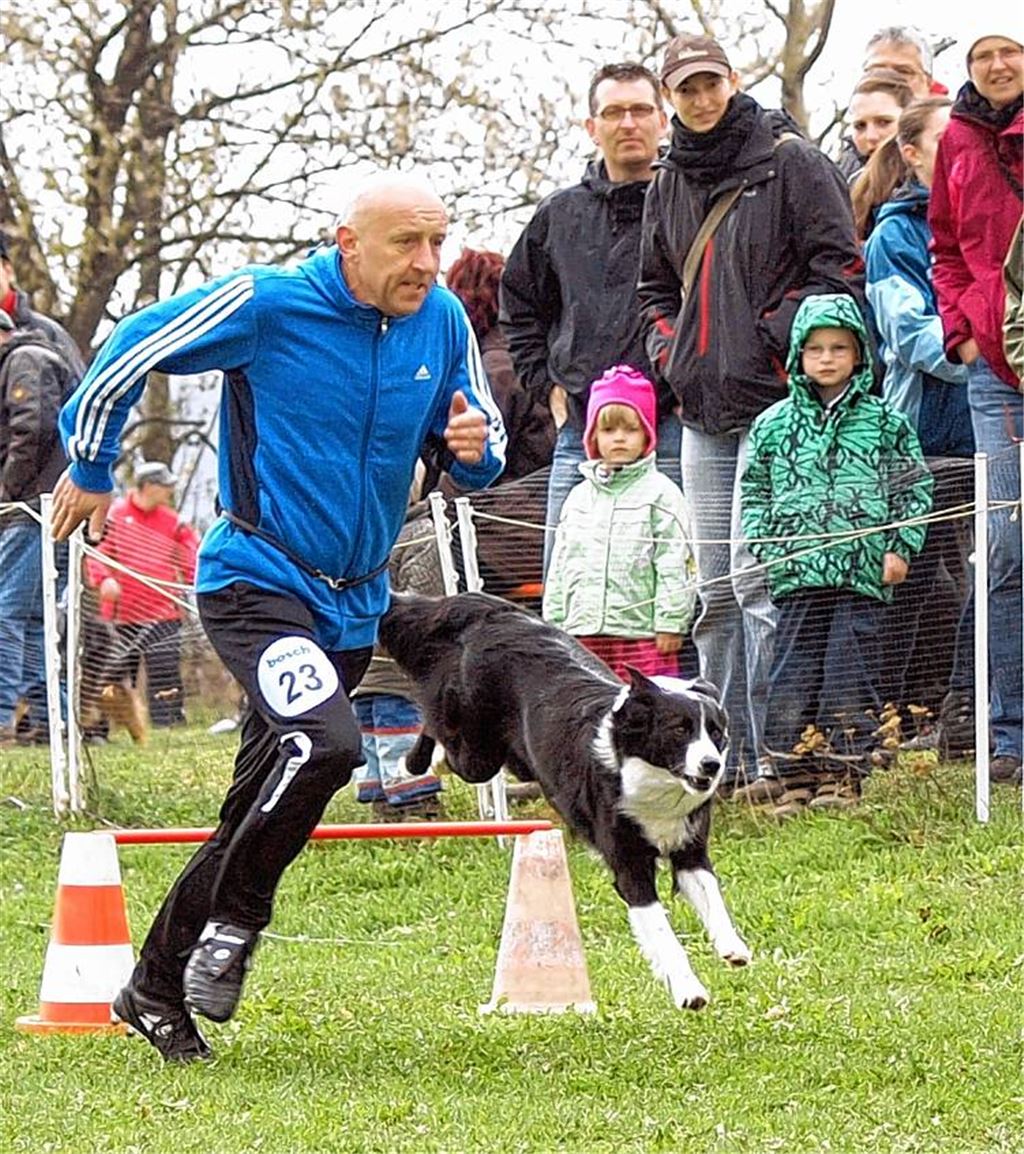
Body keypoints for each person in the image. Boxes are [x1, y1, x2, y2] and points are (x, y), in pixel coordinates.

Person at [52, 171, 507, 1063]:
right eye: (406, 245)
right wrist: (95, 463)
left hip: (352, 604)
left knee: (265, 799)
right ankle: (237, 923)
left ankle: (151, 986)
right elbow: (130, 347)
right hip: (256, 583)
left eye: (437, 243)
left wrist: (476, 447)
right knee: (327, 745)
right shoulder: (267, 305)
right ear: (348, 244)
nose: (427, 263)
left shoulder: (443, 320)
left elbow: (474, 426)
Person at [638, 31, 863, 792]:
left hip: (781, 408)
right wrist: (674, 352)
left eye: (709, 83)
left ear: (733, 80)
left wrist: (770, 339)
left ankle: (777, 752)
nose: (700, 99)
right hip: (702, 409)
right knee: (717, 596)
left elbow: (838, 268)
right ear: (671, 96)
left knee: (764, 584)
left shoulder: (791, 161)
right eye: (685, 88)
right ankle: (722, 759)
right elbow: (653, 288)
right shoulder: (667, 177)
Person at [741, 294, 933, 816]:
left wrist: (900, 547)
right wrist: (768, 544)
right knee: (792, 674)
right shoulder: (774, 426)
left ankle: (844, 773)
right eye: (816, 348)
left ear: (859, 354)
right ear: (798, 356)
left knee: (851, 671)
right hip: (798, 576)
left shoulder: (885, 422)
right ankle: (793, 775)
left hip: (862, 574)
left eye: (839, 348)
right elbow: (752, 492)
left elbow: (914, 490)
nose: (827, 358)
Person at [500, 61, 681, 578]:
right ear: (591, 126)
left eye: (642, 110)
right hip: (582, 428)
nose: (629, 123)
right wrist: (545, 387)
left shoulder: (688, 202)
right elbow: (518, 308)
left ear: (663, 120)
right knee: (570, 579)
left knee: (669, 584)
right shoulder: (559, 215)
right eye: (614, 112)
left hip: (672, 425)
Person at [862, 98, 976, 753]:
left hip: (992, 432)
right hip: (919, 440)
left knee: (987, 576)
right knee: (912, 584)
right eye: (944, 144)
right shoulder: (895, 237)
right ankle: (883, 725)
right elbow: (909, 335)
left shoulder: (994, 223)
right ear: (911, 154)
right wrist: (989, 351)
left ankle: (967, 712)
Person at [929, 29, 1023, 784]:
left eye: (1010, 52)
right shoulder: (957, 140)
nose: (997, 66)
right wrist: (960, 331)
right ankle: (1012, 736)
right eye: (982, 56)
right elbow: (947, 246)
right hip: (994, 367)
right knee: (1006, 548)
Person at [542, 364, 695, 681]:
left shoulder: (663, 495)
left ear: (647, 434)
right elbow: (560, 565)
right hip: (582, 635)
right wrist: (554, 623)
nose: (620, 439)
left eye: (631, 429)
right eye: (609, 430)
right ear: (593, 436)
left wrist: (671, 621)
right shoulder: (578, 498)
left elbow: (676, 562)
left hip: (642, 638)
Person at [0, 310, 77, 746]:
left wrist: (7, 494)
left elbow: (31, 428)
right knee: (33, 619)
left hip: (36, 507)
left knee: (6, 612)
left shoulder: (25, 359)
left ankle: (1, 715)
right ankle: (55, 719)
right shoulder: (27, 357)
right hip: (51, 505)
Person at [85, 460, 200, 728]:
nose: (170, 492)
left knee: (165, 671)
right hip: (119, 614)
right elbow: (96, 553)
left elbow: (191, 558)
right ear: (148, 486)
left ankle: (168, 723)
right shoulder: (113, 515)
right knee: (110, 673)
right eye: (165, 486)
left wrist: (203, 585)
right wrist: (104, 580)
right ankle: (97, 728)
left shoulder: (173, 522)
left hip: (163, 613)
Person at [351, 499, 446, 820]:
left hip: (397, 665)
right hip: (360, 667)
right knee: (368, 737)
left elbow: (422, 600)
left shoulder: (419, 534)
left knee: (399, 732)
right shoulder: (354, 532)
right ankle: (384, 804)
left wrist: (367, 622)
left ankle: (417, 802)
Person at [839, 71, 915, 187]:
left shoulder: (933, 177)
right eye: (860, 126)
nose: (871, 136)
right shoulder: (842, 180)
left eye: (884, 122)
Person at [862, 26, 949, 100]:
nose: (887, 79)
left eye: (903, 71)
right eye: (877, 71)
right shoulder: (850, 117)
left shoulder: (950, 118)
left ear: (928, 82)